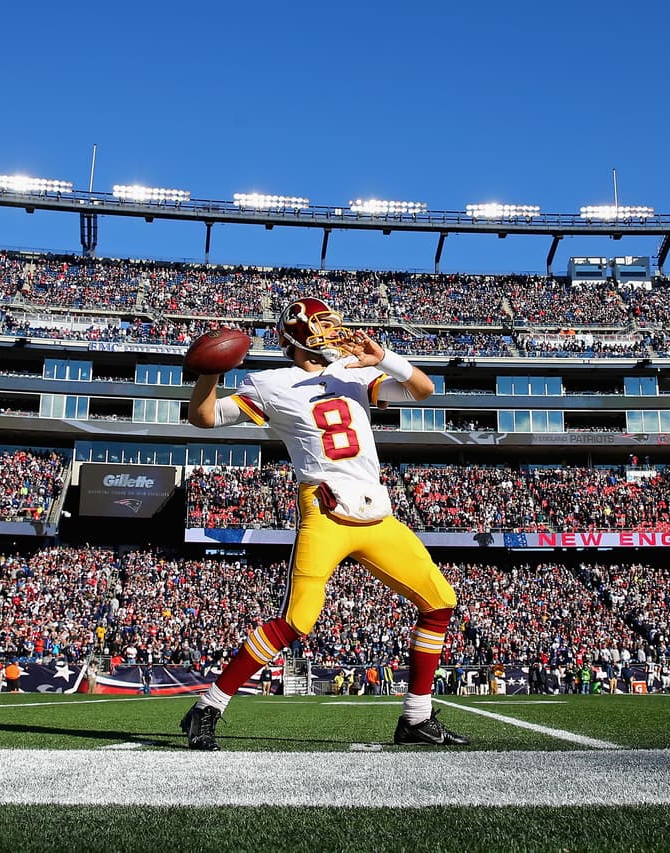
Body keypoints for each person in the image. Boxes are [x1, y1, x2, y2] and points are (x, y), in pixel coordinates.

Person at [179, 298, 469, 749]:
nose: (333, 331)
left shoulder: (354, 372)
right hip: (326, 509)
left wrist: (384, 358)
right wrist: (211, 373)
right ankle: (207, 707)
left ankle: (416, 718)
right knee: (297, 620)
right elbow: (204, 418)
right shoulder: (271, 383)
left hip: (375, 510)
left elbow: (423, 390)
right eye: (322, 324)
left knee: (439, 601)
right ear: (296, 335)